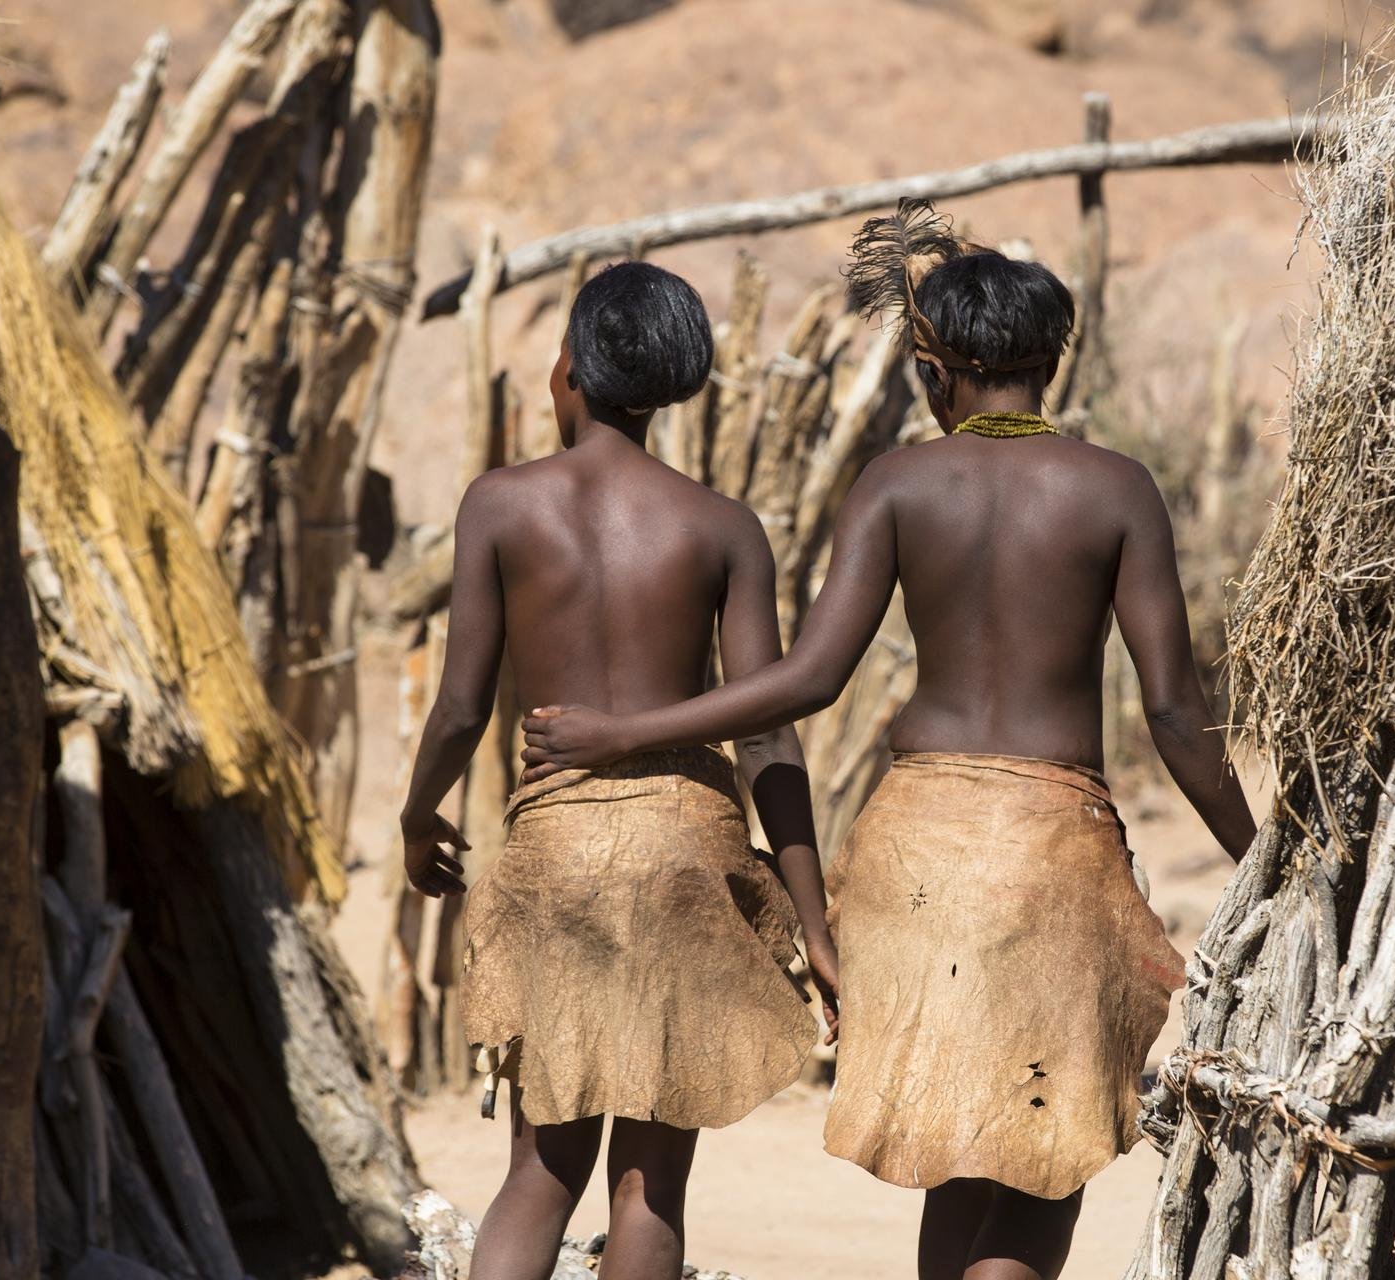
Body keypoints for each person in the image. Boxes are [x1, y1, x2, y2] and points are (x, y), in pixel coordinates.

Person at [517, 202, 1258, 1280]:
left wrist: (620, 731)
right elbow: (1178, 716)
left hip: (915, 856)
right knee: (1033, 1165)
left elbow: (806, 680)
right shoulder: (1115, 488)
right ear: (1051, 358)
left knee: (959, 1156)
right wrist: (1267, 853)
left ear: (935, 373)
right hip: (1052, 847)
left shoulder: (899, 485)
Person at [397, 261, 839, 1280]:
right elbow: (771, 729)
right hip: (689, 849)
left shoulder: (501, 505)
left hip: (558, 849)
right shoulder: (724, 527)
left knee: (541, 1169)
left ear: (573, 373)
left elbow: (463, 704)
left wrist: (421, 814)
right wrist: (812, 922)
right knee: (652, 1186)